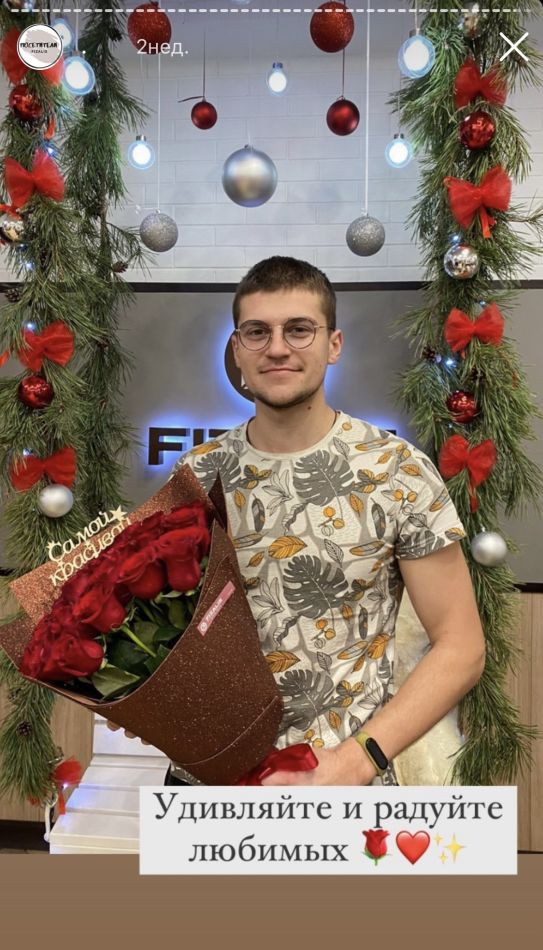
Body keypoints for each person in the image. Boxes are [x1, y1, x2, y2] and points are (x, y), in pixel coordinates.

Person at [107, 256, 486, 787]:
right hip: (207, 784)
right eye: (257, 332)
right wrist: (140, 690)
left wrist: (356, 760)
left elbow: (462, 647)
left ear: (334, 344)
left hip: (341, 782)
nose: (277, 348)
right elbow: (168, 622)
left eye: (299, 329)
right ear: (237, 350)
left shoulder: (396, 470)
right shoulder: (198, 473)